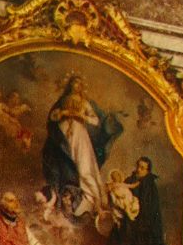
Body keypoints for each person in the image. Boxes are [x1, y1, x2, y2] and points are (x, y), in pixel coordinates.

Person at [41, 74, 123, 218]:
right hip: (63, 135)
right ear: (70, 85)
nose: (76, 86)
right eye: (74, 83)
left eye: (79, 83)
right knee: (65, 165)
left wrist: (82, 116)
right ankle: (66, 200)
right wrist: (63, 113)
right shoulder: (63, 100)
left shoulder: (84, 103)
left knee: (84, 168)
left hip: (79, 135)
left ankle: (92, 201)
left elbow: (95, 121)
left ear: (81, 87)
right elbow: (52, 117)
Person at [108, 156, 180, 245]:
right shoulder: (130, 180)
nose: (139, 169)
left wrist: (136, 215)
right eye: (138, 166)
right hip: (128, 217)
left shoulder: (150, 186)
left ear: (148, 171)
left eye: (142, 168)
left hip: (144, 222)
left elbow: (150, 209)